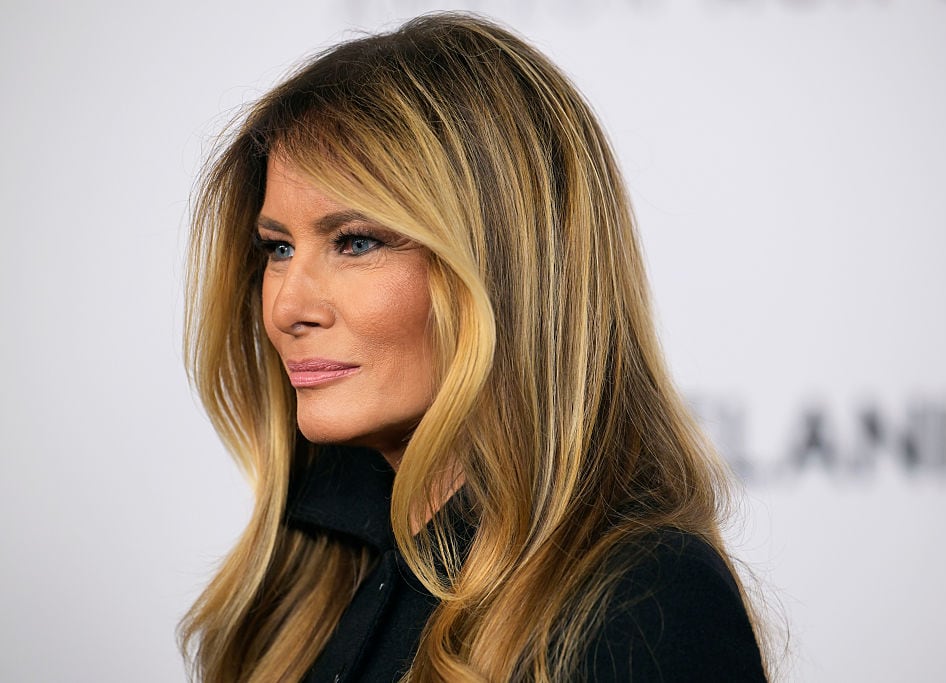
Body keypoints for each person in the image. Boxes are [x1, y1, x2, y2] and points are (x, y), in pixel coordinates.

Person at [180, 12, 770, 682]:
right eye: (278, 248)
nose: (287, 305)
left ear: (502, 268)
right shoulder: (313, 588)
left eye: (355, 241)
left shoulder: (648, 602)